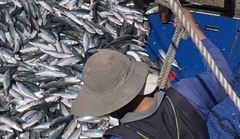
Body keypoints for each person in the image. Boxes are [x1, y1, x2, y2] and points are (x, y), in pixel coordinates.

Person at [72, 8, 231, 139]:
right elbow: (224, 76)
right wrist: (193, 28)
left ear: (108, 107)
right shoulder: (187, 93)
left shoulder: (121, 136)